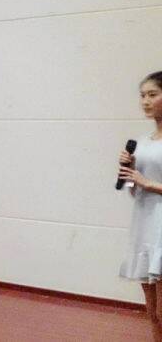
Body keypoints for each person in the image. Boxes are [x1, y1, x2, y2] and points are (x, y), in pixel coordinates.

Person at [119, 71, 162, 340]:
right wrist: (130, 174)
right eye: (142, 95)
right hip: (145, 225)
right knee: (153, 310)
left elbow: (147, 184)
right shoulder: (142, 142)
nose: (145, 101)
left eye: (152, 95)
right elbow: (134, 191)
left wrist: (148, 182)